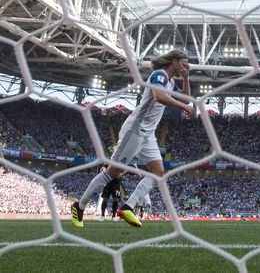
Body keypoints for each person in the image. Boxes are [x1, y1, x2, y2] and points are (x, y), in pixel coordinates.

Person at [71, 50, 193, 228]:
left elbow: (186, 98)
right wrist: (183, 106)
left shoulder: (171, 81)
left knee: (158, 173)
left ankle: (128, 207)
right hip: (135, 129)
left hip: (148, 134)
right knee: (113, 172)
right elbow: (159, 97)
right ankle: (79, 206)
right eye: (184, 63)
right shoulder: (159, 75)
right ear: (173, 61)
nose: (185, 67)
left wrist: (187, 79)